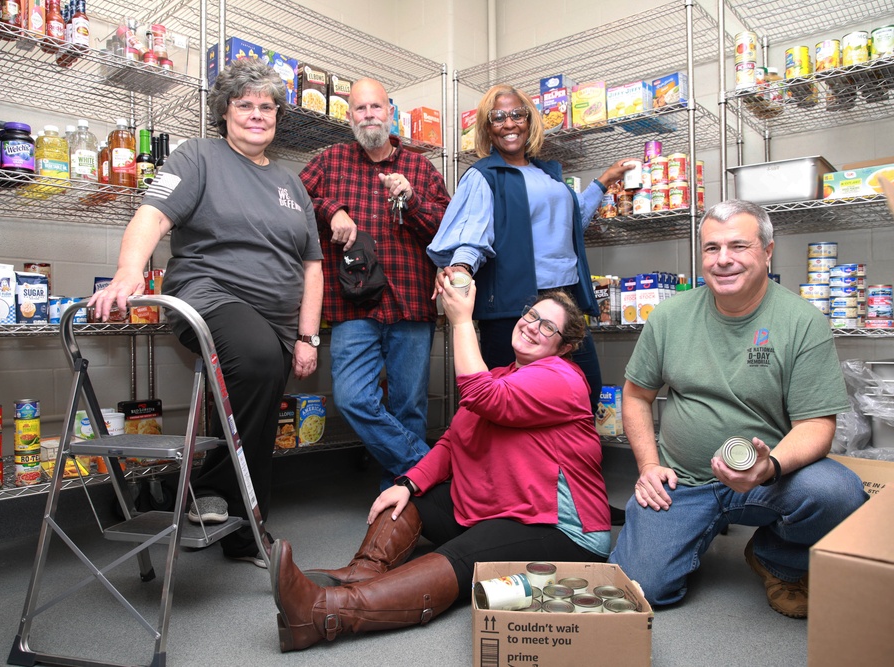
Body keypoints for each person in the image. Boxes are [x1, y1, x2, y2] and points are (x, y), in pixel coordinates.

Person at [270, 284, 612, 651]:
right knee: (410, 499)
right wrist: (408, 483)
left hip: (560, 527)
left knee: (458, 558)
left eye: (548, 327)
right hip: (506, 504)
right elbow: (451, 442)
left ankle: (322, 613)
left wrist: (461, 319)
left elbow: (483, 396)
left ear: (563, 347)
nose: (532, 326)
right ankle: (363, 573)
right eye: (531, 316)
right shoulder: (500, 373)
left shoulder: (563, 378)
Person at [88, 59, 323, 567]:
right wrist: (129, 272)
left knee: (256, 417)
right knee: (258, 364)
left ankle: (233, 525)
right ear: (225, 112)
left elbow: (312, 266)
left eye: (267, 106)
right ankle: (207, 493)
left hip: (278, 322)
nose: (257, 115)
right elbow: (151, 215)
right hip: (210, 295)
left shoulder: (292, 184)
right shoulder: (198, 158)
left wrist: (309, 336)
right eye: (245, 105)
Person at [608, 199, 868, 617]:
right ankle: (684, 536)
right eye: (711, 248)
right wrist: (647, 466)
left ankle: (776, 558)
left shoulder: (801, 321)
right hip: (684, 480)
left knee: (838, 494)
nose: (723, 260)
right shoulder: (670, 315)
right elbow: (636, 395)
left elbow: (817, 423)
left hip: (771, 477)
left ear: (767, 252)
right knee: (640, 589)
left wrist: (770, 467)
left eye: (738, 246)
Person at [427, 83, 635, 410]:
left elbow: (570, 224)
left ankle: (562, 461)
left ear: (529, 121)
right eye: (498, 118)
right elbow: (471, 236)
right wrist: (462, 270)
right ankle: (512, 462)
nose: (509, 124)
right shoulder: (485, 175)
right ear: (487, 128)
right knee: (511, 399)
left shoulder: (548, 174)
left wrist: (605, 180)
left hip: (564, 301)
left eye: (516, 115)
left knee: (585, 388)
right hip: (515, 305)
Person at [299, 78, 451, 487]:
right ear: (349, 117)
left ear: (390, 113)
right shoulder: (330, 161)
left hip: (412, 304)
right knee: (352, 398)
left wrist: (413, 199)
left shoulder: (419, 167)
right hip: (354, 306)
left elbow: (449, 229)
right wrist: (331, 210)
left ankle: (402, 502)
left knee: (409, 408)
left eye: (376, 108)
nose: (369, 115)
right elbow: (292, 200)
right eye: (360, 109)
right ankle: (431, 473)